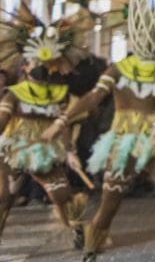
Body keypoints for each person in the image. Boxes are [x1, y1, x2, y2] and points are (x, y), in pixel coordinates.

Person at [48, 46, 155, 260]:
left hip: (151, 141)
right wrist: (61, 121)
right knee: (109, 205)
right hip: (122, 141)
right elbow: (94, 97)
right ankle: (90, 254)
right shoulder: (118, 70)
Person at [0, 15, 90, 249]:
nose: (39, 67)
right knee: (4, 196)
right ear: (25, 67)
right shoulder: (15, 93)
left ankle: (78, 230)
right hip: (14, 149)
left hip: (45, 150)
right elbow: (3, 117)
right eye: (34, 63)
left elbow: (64, 125)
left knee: (62, 195)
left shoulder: (59, 95)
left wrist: (69, 152)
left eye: (44, 64)